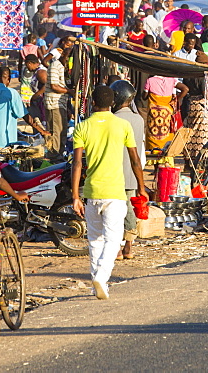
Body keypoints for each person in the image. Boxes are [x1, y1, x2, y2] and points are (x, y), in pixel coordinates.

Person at [71, 85, 148, 300]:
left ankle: (98, 280)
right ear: (112, 103)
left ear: (92, 103)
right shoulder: (123, 125)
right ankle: (102, 277)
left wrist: (75, 196)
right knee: (113, 239)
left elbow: (77, 164)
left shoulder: (82, 127)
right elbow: (135, 160)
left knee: (95, 240)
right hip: (115, 191)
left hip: (92, 191)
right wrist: (142, 188)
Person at [109, 81, 146, 260]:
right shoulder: (138, 119)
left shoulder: (113, 119)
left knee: (114, 212)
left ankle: (117, 247)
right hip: (132, 172)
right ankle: (129, 246)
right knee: (127, 208)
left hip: (113, 173)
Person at [0, 67, 47, 152]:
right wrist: (41, 131)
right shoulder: (12, 93)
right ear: (9, 79)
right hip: (5, 142)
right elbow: (25, 115)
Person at [45, 35, 76, 153]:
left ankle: (59, 153)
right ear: (62, 55)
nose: (69, 60)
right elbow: (54, 86)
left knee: (62, 130)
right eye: (68, 57)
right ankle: (54, 155)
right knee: (56, 131)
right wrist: (69, 91)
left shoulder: (63, 68)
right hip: (54, 104)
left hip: (60, 104)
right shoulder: (55, 66)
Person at [144, 73, 187, 153]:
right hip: (167, 115)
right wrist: (176, 99)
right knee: (167, 137)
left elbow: (144, 96)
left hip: (154, 116)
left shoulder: (150, 80)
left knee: (153, 139)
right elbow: (185, 89)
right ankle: (167, 158)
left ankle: (154, 158)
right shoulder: (172, 80)